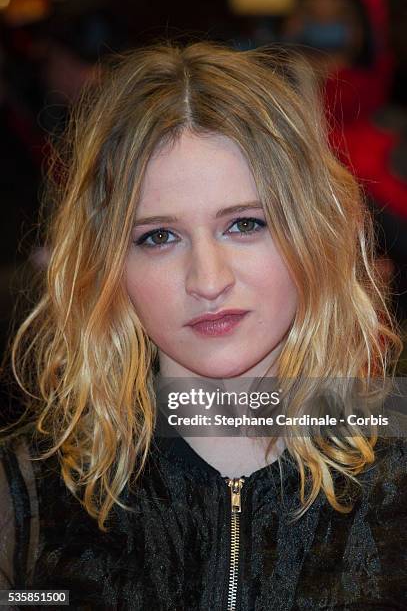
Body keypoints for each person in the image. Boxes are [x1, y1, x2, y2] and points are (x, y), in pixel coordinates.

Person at [0, 41, 406, 610]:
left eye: (244, 224)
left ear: (313, 231)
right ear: (107, 263)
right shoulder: (31, 497)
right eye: (158, 237)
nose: (208, 280)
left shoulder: (396, 457)